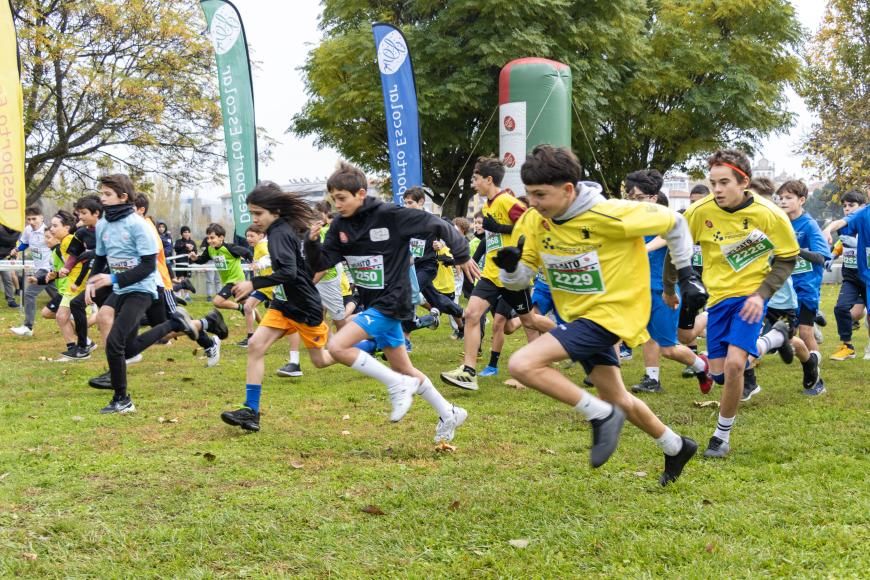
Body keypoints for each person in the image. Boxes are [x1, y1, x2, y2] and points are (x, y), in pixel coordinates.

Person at [496, 145, 703, 484]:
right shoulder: (534, 221)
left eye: (540, 194)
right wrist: (510, 269)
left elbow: (676, 223)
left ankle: (601, 417)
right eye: (528, 194)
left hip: (614, 314)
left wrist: (686, 275)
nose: (532, 202)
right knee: (617, 396)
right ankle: (675, 445)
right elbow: (522, 277)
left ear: (567, 190)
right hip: (579, 316)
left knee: (522, 364)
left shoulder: (611, 213)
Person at [305, 162, 480, 443]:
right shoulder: (339, 226)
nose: (336, 205)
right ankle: (449, 412)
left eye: (341, 198)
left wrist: (461, 253)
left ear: (361, 193)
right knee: (405, 369)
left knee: (337, 346)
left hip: (393, 301)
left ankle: (397, 385)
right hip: (372, 302)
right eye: (333, 199)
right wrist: (311, 244)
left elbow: (438, 224)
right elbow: (324, 262)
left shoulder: (390, 215)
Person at [683, 150, 799, 457]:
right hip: (717, 299)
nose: (717, 189)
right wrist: (673, 287)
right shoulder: (699, 212)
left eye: (724, 182)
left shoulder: (769, 214)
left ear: (743, 182)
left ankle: (721, 437)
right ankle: (774, 339)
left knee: (736, 365)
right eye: (712, 183)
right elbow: (677, 246)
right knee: (721, 375)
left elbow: (787, 257)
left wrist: (761, 295)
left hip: (750, 298)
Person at [220, 182, 336, 432]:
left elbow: (288, 272)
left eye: (259, 213)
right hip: (283, 305)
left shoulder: (280, 234)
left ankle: (367, 344)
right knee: (255, 345)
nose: (255, 219)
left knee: (321, 360)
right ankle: (251, 412)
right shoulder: (280, 230)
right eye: (252, 214)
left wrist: (253, 284)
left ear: (275, 212)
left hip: (305, 307)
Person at [441, 156, 546, 391]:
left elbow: (533, 224)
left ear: (489, 179)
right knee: (471, 314)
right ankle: (468, 371)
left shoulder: (506, 201)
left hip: (512, 275)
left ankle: (564, 341)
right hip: (490, 274)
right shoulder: (488, 205)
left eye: (476, 179)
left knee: (529, 322)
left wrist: (501, 228)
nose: (473, 183)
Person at [623, 172, 712, 395]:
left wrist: (644, 249)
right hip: (641, 289)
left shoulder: (667, 218)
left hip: (665, 291)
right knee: (648, 336)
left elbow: (666, 236)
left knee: (669, 348)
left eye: (639, 198)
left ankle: (702, 366)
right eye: (630, 198)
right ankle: (651, 379)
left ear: (653, 198)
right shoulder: (631, 221)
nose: (634, 203)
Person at [776, 180, 830, 395]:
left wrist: (796, 250)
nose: (784, 201)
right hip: (784, 289)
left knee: (805, 333)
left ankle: (816, 380)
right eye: (781, 198)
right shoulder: (781, 223)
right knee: (788, 334)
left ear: (801, 200)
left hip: (807, 287)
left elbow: (821, 257)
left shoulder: (808, 225)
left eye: (789, 198)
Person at [823, 196, 870, 360]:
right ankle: (847, 346)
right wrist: (833, 255)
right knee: (841, 309)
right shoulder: (848, 222)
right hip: (851, 277)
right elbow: (841, 243)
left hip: (867, 277)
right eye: (845, 205)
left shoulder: (864, 218)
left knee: (860, 314)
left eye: (852, 205)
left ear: (861, 205)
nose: (847, 208)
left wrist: (858, 244)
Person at [9, 206, 59, 336]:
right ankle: (75, 313)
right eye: (28, 219)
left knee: (29, 293)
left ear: (41, 218)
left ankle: (28, 327)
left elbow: (57, 246)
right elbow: (25, 243)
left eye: (34, 219)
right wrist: (17, 249)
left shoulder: (48, 231)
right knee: (59, 296)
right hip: (42, 269)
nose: (31, 222)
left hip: (47, 268)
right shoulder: (28, 230)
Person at [189, 223, 252, 313]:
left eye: (212, 238)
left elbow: (247, 252)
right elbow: (202, 259)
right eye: (208, 238)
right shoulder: (210, 249)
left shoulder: (230, 248)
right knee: (248, 305)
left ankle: (240, 308)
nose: (209, 241)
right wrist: (195, 259)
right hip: (228, 281)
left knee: (217, 302)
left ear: (221, 238)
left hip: (236, 281)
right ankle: (261, 322)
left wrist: (253, 261)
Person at [237, 224, 271, 347]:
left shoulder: (264, 245)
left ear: (261, 235)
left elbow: (270, 257)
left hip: (274, 287)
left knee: (285, 317)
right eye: (247, 236)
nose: (248, 239)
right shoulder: (257, 246)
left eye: (252, 236)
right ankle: (251, 337)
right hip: (263, 287)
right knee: (247, 307)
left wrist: (260, 264)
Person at [0, 224, 20, 307]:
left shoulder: (16, 233)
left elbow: (13, 246)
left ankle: (10, 300)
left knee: (8, 279)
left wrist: (13, 257)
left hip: (3, 258)